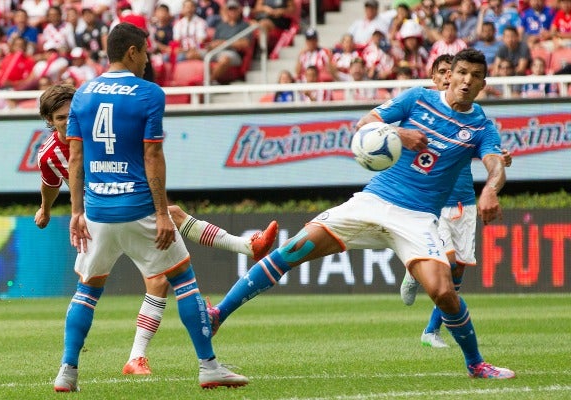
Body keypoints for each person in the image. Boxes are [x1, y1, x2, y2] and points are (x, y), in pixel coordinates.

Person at [207, 48, 516, 380]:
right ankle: (218, 315)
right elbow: (366, 123)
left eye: (475, 75)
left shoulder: (482, 126)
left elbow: (495, 164)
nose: (467, 80)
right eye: (462, 72)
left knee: (444, 292)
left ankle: (476, 364)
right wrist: (399, 133)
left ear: (484, 82)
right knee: (294, 248)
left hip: (418, 219)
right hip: (373, 200)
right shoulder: (416, 99)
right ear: (449, 74)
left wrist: (489, 189)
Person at [52, 23, 251, 392]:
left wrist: (76, 212)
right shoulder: (149, 94)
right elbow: (152, 154)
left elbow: (75, 157)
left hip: (96, 211)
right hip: (138, 207)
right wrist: (162, 213)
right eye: (144, 52)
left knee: (87, 291)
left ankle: (67, 372)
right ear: (131, 52)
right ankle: (209, 366)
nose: (147, 60)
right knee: (184, 281)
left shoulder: (82, 95)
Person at [36, 85, 277, 380]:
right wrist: (46, 209)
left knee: (147, 271)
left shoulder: (95, 129)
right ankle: (202, 364)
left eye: (73, 112)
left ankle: (90, 367)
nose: (70, 118)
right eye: (61, 117)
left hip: (102, 216)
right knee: (176, 273)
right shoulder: (56, 150)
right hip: (103, 217)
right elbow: (51, 182)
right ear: (49, 120)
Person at [399, 54, 513, 348]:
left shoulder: (473, 121)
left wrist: (499, 159)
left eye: (457, 72)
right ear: (437, 78)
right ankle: (415, 269)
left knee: (459, 269)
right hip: (432, 203)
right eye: (445, 72)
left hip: (464, 202)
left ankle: (431, 331)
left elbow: (483, 151)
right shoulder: (423, 111)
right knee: (446, 263)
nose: (452, 77)